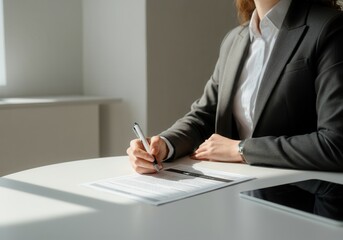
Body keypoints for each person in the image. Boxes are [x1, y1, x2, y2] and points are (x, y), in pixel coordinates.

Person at [127, 0, 343, 174]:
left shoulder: (330, 28)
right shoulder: (234, 40)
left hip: (303, 199)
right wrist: (163, 145)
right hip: (235, 191)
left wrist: (240, 149)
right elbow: (205, 117)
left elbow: (336, 143)